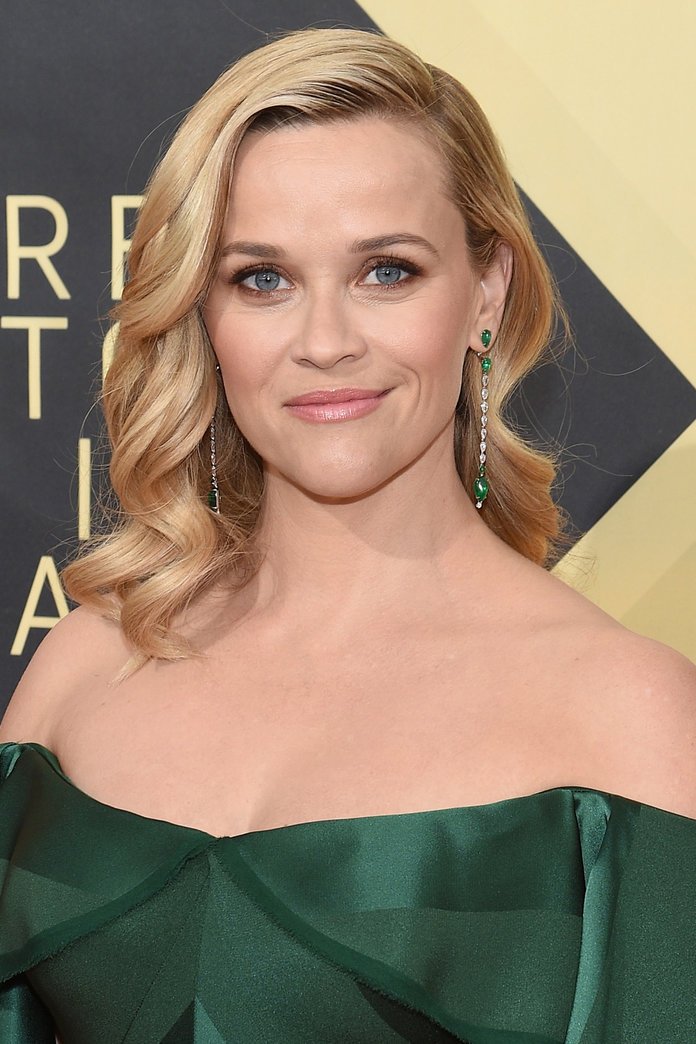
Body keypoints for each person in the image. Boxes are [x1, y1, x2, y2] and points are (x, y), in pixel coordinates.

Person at [1, 24, 694, 1044]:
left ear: (486, 291)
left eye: (386, 271)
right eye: (263, 279)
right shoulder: (88, 662)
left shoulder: (627, 713)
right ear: (203, 312)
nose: (325, 342)